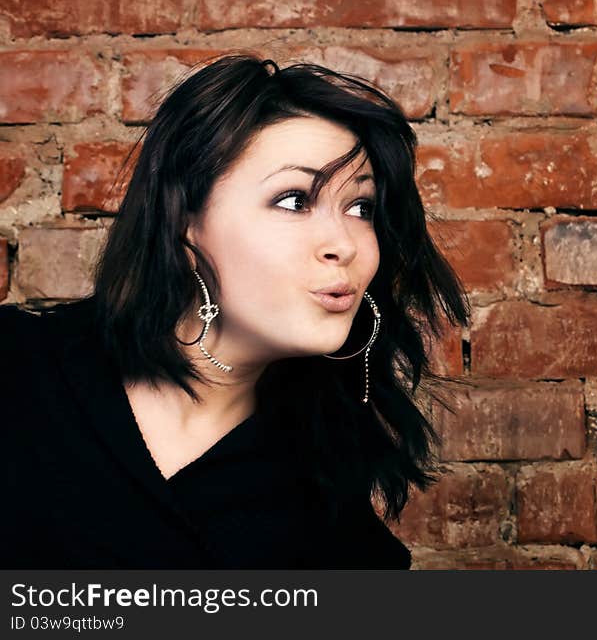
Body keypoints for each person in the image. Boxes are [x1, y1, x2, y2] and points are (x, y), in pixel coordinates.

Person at [0, 54, 471, 569]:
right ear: (185, 221)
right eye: (294, 200)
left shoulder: (329, 517)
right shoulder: (20, 369)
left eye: (361, 208)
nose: (345, 243)